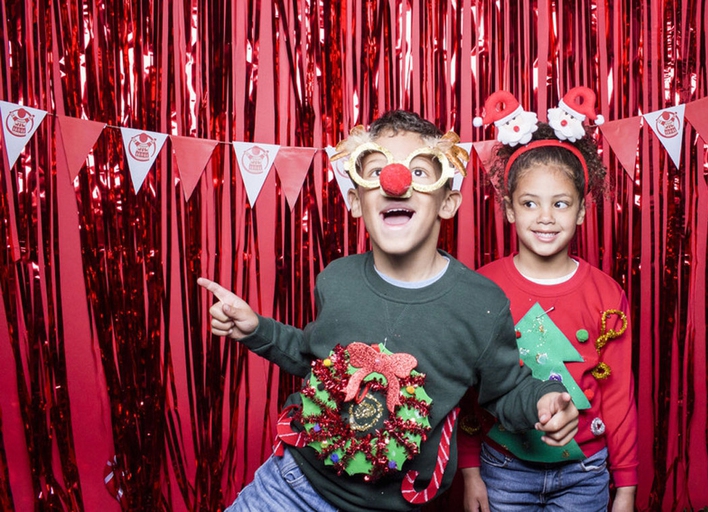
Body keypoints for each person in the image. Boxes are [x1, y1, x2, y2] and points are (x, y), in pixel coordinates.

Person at [197, 110, 579, 512]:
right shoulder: (336, 280)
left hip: (397, 504)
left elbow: (505, 389)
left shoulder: (480, 303)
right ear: (354, 201)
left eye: (418, 173)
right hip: (295, 484)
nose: (395, 183)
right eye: (377, 170)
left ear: (448, 203)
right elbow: (313, 359)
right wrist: (256, 329)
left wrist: (544, 399)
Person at [459, 88, 638, 512]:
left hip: (586, 472)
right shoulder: (482, 288)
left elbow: (618, 394)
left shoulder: (607, 294)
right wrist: (470, 473)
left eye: (560, 204)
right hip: (503, 467)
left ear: (580, 211)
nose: (544, 217)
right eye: (529, 203)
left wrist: (626, 486)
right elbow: (468, 390)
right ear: (508, 209)